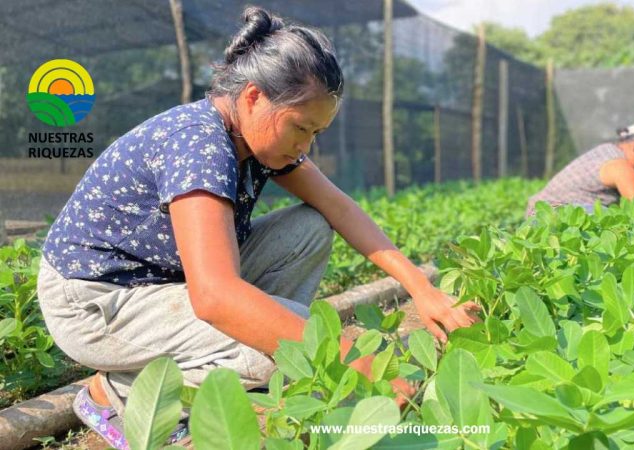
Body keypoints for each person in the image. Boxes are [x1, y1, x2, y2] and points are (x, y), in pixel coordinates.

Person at [36, 7, 478, 448]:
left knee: (309, 228)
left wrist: (421, 288)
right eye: (300, 127)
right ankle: (114, 393)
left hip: (164, 279)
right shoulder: (199, 145)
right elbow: (215, 296)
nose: (305, 146)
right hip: (94, 300)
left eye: (316, 133)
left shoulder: (255, 137)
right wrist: (350, 362)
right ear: (253, 97)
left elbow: (338, 208)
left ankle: (218, 361)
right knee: (273, 353)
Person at [526, 122, 634, 216]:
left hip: (538, 214)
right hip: (553, 214)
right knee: (613, 220)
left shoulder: (605, 151)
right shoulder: (621, 166)